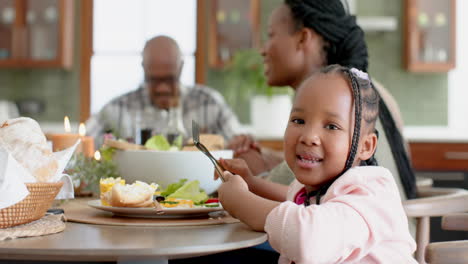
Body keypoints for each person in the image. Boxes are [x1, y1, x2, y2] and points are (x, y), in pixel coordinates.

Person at [219, 65, 417, 263]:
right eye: (298, 120)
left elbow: (308, 240)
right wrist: (251, 183)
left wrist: (241, 201)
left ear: (365, 146)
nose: (309, 137)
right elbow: (290, 197)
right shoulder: (319, 188)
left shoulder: (370, 195)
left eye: (331, 126)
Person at [227, 0, 417, 201]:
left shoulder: (341, 100)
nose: (263, 50)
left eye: (271, 35)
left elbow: (287, 200)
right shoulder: (369, 91)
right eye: (299, 122)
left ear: (303, 38)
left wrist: (252, 166)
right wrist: (265, 157)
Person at [86, 35, 242, 147]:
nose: (162, 88)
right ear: (144, 69)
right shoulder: (117, 108)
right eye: (154, 80)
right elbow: (82, 143)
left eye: (169, 79)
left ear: (181, 68)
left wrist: (236, 145)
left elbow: (238, 145)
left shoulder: (209, 103)